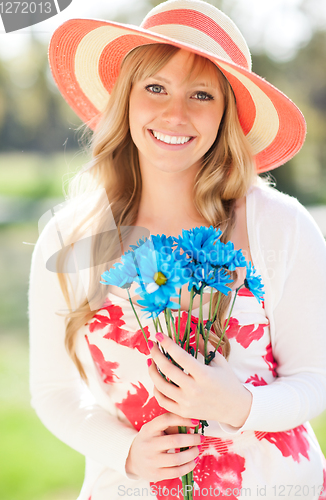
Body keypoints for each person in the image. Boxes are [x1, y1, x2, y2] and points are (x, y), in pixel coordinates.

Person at [29, 0, 326, 499]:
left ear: (225, 115)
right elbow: (53, 392)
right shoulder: (70, 240)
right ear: (126, 99)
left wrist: (242, 405)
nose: (175, 113)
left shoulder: (279, 225)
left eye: (201, 94)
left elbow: (315, 378)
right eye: (155, 87)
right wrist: (126, 451)